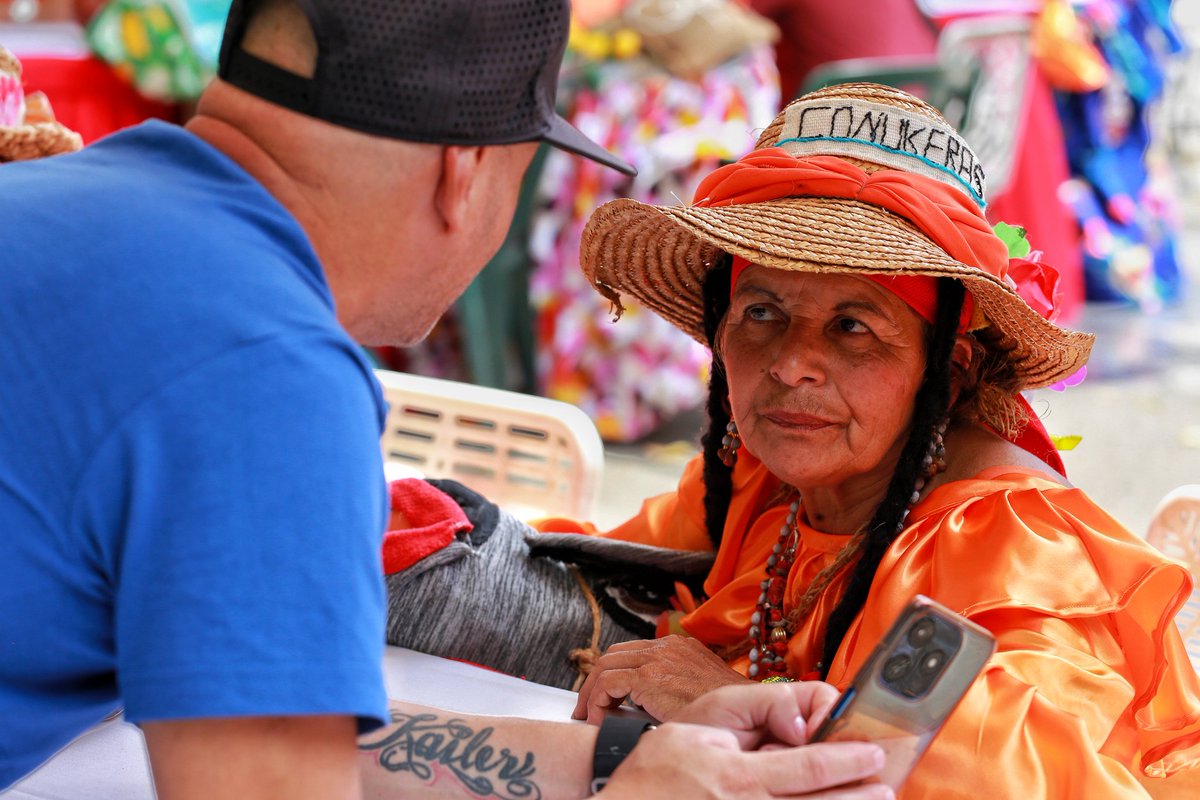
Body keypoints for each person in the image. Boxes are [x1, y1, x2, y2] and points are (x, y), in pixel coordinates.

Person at [0, 1, 895, 797]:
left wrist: (616, 761)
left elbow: (275, 727)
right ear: (465, 168)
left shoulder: (48, 198)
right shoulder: (264, 364)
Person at [383, 81, 1200, 796]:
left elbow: (1013, 780)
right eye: (762, 314)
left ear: (945, 371)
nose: (793, 366)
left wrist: (726, 695)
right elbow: (622, 561)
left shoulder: (1009, 547)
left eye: (853, 327)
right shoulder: (768, 473)